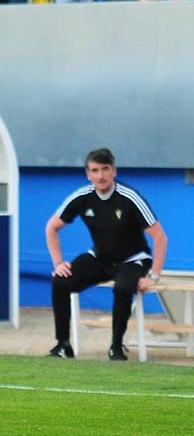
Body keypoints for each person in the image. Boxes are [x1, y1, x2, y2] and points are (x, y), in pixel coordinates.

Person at [45, 148, 168, 361]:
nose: (100, 176)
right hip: (99, 258)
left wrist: (153, 276)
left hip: (133, 259)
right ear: (88, 174)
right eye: (95, 170)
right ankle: (63, 345)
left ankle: (116, 347)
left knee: (122, 288)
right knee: (60, 280)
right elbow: (51, 228)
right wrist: (58, 263)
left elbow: (160, 237)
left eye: (105, 169)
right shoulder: (82, 197)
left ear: (114, 171)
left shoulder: (129, 198)